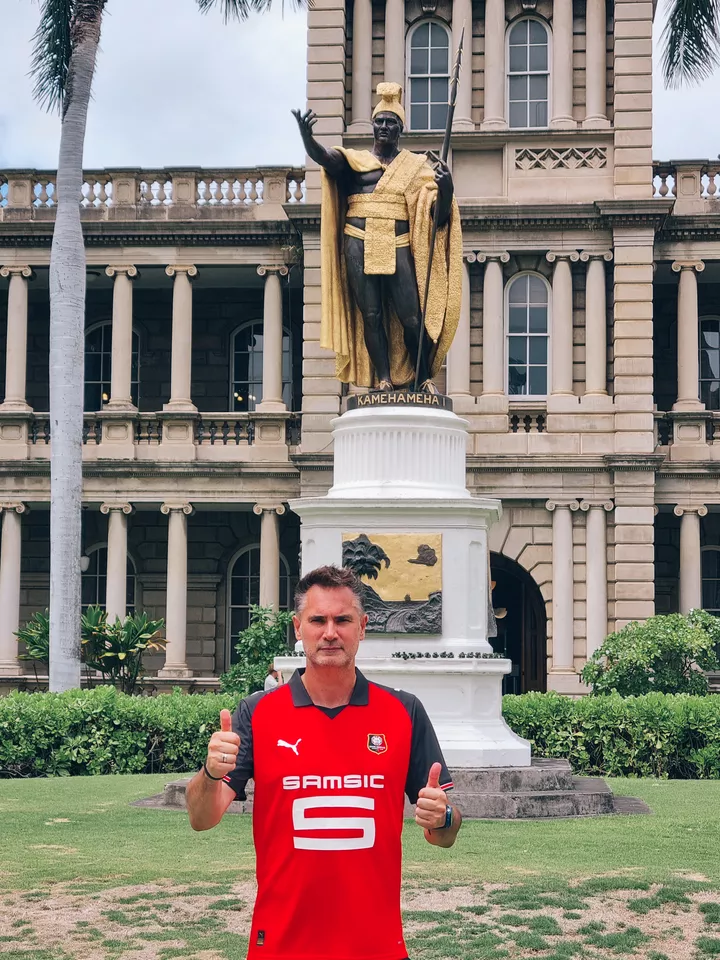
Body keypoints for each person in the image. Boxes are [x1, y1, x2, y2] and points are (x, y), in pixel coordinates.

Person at [186, 564, 461, 960]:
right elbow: (201, 818)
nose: (330, 632)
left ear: (363, 627)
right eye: (318, 620)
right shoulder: (256, 713)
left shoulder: (403, 711)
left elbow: (445, 835)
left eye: (342, 620)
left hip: (376, 945)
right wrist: (211, 772)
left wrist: (444, 816)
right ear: (299, 628)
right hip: (281, 944)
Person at [292, 83, 463, 393]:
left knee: (411, 316)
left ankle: (422, 377)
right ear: (373, 126)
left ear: (400, 129)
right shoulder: (355, 161)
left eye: (391, 122)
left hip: (397, 243)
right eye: (380, 121)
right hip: (358, 239)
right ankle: (383, 378)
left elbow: (438, 216)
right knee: (370, 314)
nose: (385, 127)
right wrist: (308, 139)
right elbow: (326, 158)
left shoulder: (416, 167)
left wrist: (447, 187)